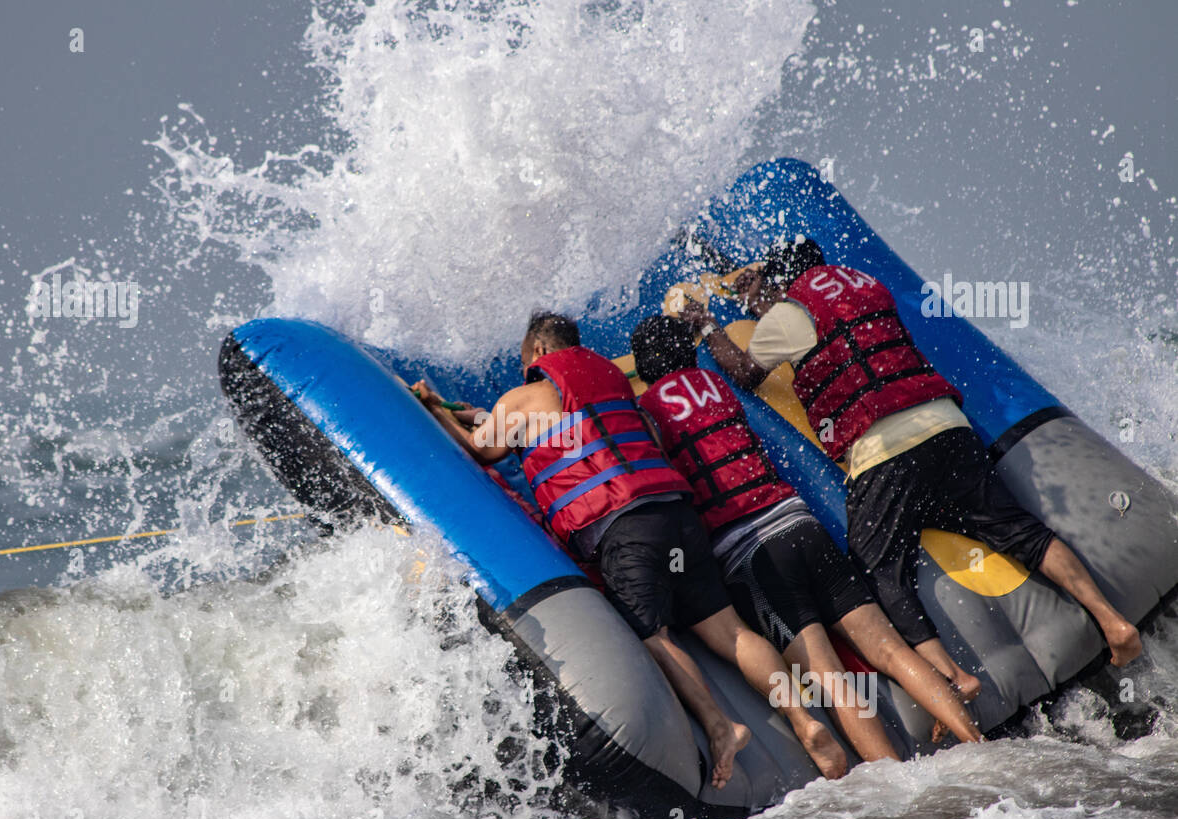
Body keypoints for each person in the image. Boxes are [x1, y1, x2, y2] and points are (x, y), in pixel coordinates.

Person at [678, 237, 1142, 687]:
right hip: (948, 428)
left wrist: (706, 325)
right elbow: (828, 329)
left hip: (884, 452)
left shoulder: (788, 312)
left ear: (783, 283)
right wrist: (771, 305)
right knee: (1018, 530)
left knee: (877, 571)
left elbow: (744, 372)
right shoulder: (866, 284)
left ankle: (954, 677)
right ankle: (1113, 621)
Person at [415, 311, 849, 786]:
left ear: (539, 352)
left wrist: (434, 409)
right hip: (676, 516)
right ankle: (804, 719)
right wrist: (468, 413)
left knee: (654, 636)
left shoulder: (530, 393)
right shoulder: (616, 384)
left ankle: (721, 725)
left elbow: (483, 447)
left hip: (621, 527)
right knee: (730, 631)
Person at [631, 313, 982, 749]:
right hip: (802, 523)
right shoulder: (717, 387)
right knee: (891, 651)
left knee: (831, 680)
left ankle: (896, 791)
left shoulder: (645, 413)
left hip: (752, 551)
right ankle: (977, 741)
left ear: (643, 371)